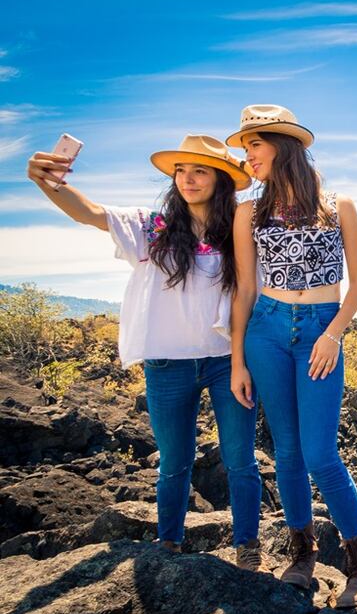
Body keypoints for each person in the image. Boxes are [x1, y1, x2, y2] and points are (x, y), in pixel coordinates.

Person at [26, 135, 264, 570]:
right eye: (181, 171)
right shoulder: (151, 227)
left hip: (226, 362)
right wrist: (49, 183)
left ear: (222, 180)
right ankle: (169, 544)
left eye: (200, 171)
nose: (187, 179)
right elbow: (91, 213)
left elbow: (253, 293)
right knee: (174, 461)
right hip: (166, 365)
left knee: (240, 459)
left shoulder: (238, 233)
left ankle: (248, 547)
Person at [227, 105, 357, 609]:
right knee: (287, 452)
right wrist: (236, 360)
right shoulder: (248, 211)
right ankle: (302, 553)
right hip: (265, 332)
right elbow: (246, 288)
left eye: (254, 145)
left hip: (320, 328)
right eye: (244, 147)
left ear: (282, 146)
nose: (246, 156)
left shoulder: (338, 206)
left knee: (320, 453)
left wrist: (333, 334)